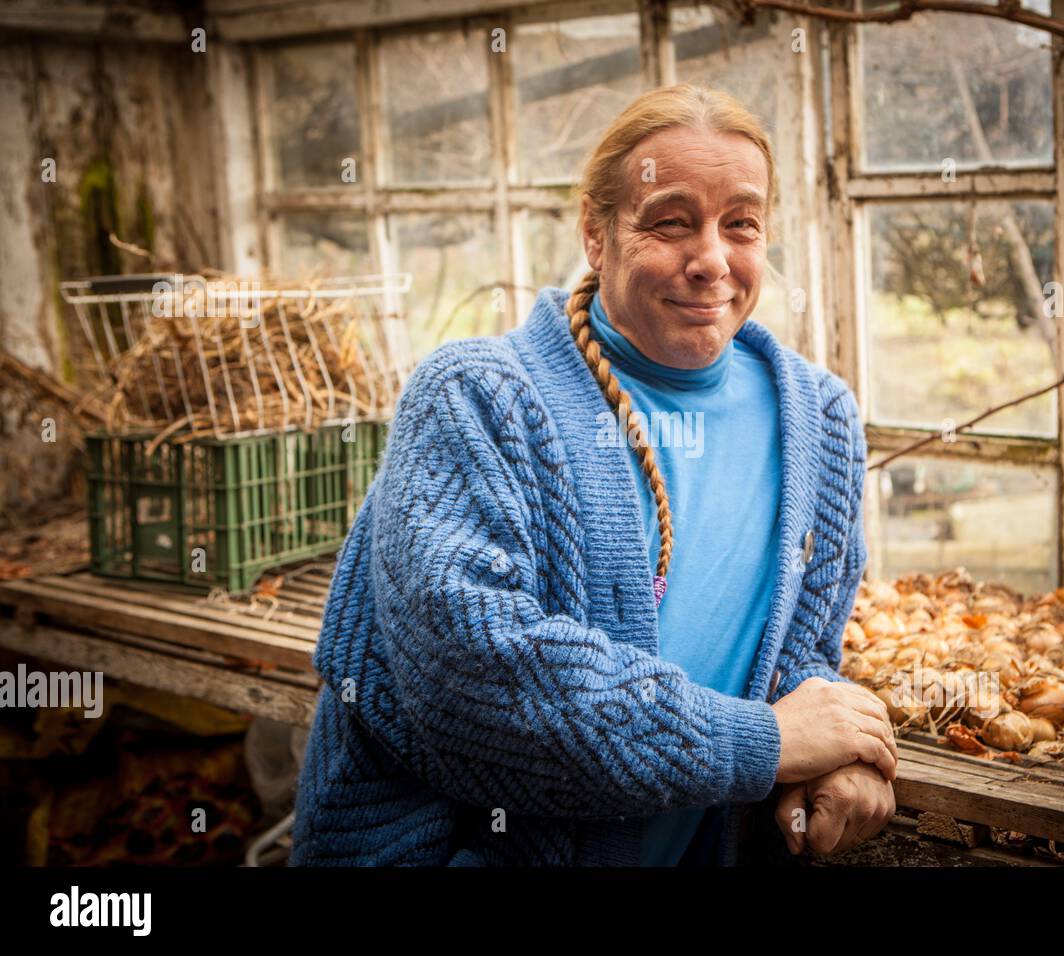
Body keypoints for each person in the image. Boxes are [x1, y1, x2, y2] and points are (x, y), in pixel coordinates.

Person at [290, 84, 896, 866]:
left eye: (740, 224)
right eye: (671, 222)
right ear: (595, 233)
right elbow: (474, 682)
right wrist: (765, 742)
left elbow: (802, 652)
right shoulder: (479, 398)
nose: (711, 260)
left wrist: (838, 753)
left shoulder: (820, 421)